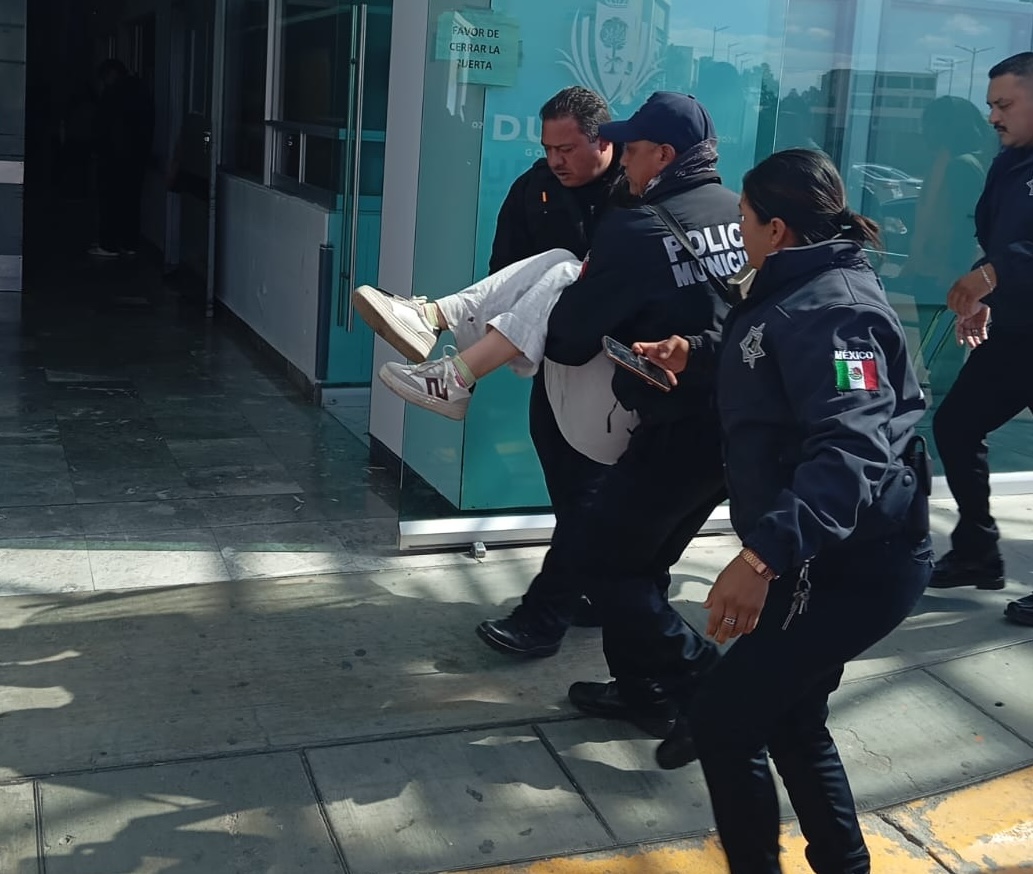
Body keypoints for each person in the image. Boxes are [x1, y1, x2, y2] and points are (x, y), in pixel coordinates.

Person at [634, 148, 932, 874]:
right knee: (792, 719)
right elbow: (766, 348)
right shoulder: (798, 284)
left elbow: (851, 449)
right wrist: (693, 353)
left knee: (725, 719)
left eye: (743, 217)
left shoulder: (838, 311)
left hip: (858, 564)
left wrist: (761, 556)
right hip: (824, 556)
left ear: (777, 228)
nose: (736, 229)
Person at [926, 53, 1033, 629]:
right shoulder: (1011, 162)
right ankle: (976, 550)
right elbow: (1006, 242)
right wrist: (987, 291)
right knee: (956, 425)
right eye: (991, 105)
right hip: (1015, 333)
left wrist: (991, 276)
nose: (993, 116)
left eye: (1004, 104)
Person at [90, 59, 154, 258]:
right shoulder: (142, 92)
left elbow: (104, 126)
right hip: (136, 158)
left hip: (113, 157)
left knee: (109, 202)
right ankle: (129, 243)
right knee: (131, 201)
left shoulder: (113, 94)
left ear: (110, 74)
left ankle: (108, 244)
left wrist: (100, 149)